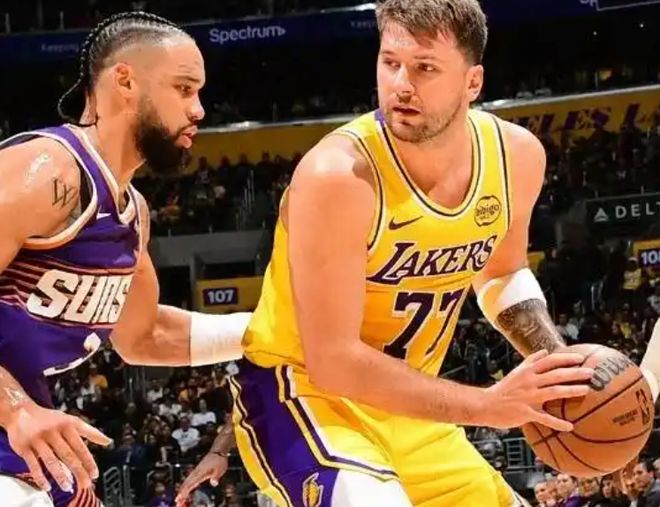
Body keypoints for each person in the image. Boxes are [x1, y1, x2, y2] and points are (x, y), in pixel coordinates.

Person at [181, 1, 599, 506]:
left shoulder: (517, 156)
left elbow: (501, 274)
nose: (402, 84)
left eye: (425, 68)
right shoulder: (338, 176)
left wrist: (559, 364)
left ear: (472, 82)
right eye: (390, 63)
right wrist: (487, 406)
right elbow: (333, 362)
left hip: (409, 407)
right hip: (303, 396)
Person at [0, 12, 250, 507]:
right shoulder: (48, 170)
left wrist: (275, 329)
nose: (199, 109)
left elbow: (143, 336)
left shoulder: (133, 212)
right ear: (125, 81)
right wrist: (13, 408)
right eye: (184, 89)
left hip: (26, 438)